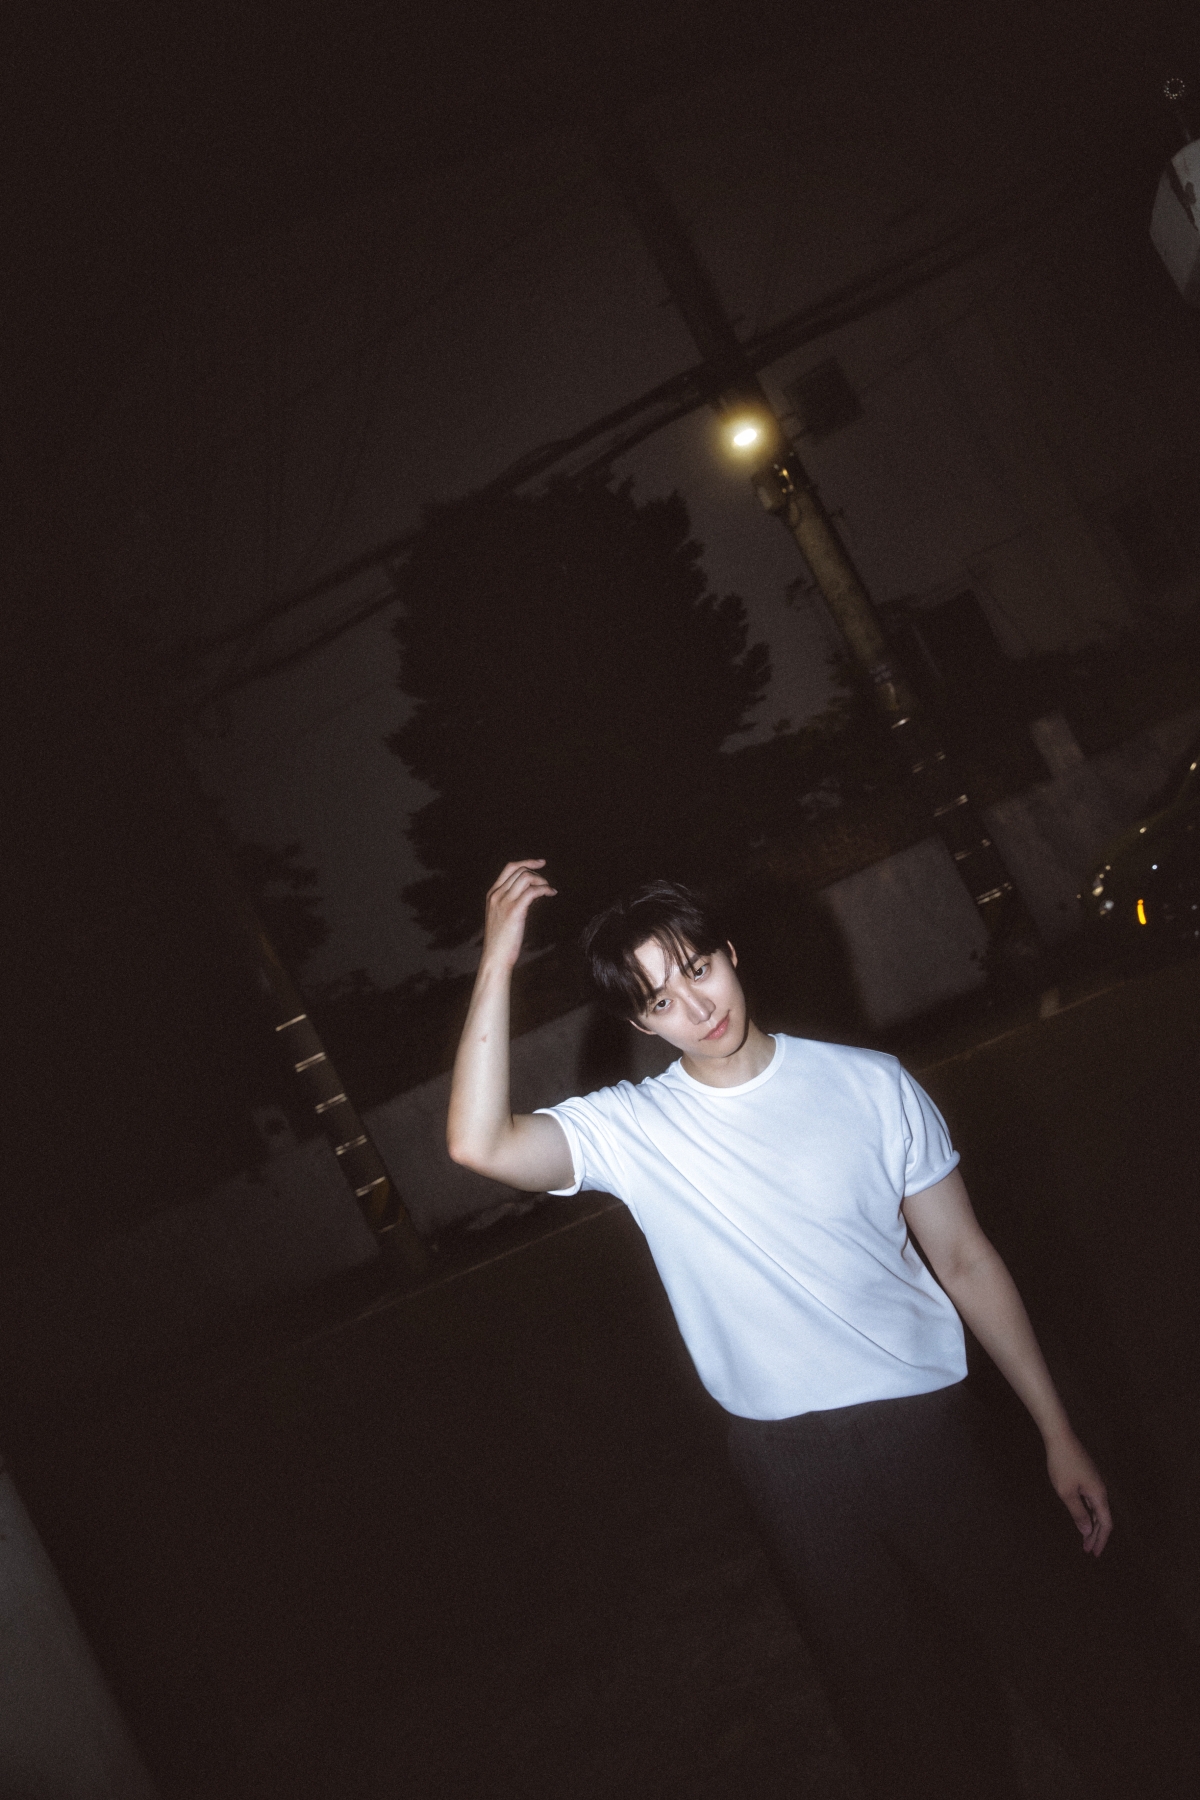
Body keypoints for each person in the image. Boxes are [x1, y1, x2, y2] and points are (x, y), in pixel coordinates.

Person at [447, 859, 1188, 1799]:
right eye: (662, 1000)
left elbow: (965, 1259)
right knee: (907, 1724)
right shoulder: (634, 1132)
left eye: (698, 969)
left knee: (1085, 1673)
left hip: (932, 1433)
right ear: (641, 1024)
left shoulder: (871, 1086)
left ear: (730, 952)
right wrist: (496, 960)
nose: (697, 1007)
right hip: (789, 1471)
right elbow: (477, 1143)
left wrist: (1055, 1429)